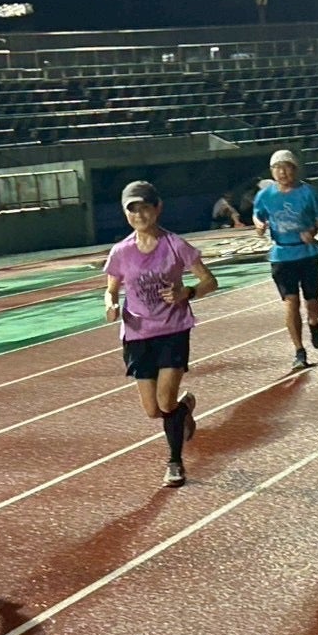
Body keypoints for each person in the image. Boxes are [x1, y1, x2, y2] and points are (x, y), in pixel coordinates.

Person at [104, 180, 218, 488]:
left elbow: (210, 281)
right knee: (153, 410)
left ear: (158, 208)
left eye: (144, 207)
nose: (139, 215)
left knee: (166, 402)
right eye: (132, 209)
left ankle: (175, 462)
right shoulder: (121, 251)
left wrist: (187, 292)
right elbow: (111, 289)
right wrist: (111, 304)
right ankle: (184, 410)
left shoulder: (175, 245)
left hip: (172, 330)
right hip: (137, 334)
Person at [253, 149, 318, 371]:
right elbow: (258, 215)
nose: (282, 172)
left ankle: (313, 321)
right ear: (272, 171)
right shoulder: (265, 195)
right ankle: (299, 350)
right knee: (291, 302)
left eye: (286, 167)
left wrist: (313, 230)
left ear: (295, 170)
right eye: (277, 168)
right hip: (281, 255)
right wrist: (259, 225)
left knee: (312, 302)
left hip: (307, 254)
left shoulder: (307, 192)